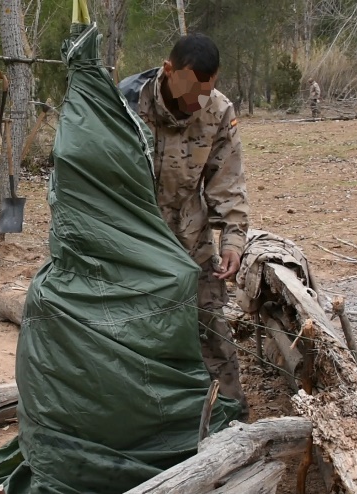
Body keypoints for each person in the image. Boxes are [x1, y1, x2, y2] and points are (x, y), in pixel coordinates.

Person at [119, 33, 249, 417]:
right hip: (132, 236)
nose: (197, 103)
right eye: (191, 92)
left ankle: (230, 415)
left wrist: (233, 242)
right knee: (132, 330)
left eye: (206, 92)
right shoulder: (123, 104)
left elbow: (228, 183)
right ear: (168, 70)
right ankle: (144, 418)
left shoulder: (219, 111)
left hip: (189, 236)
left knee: (209, 324)